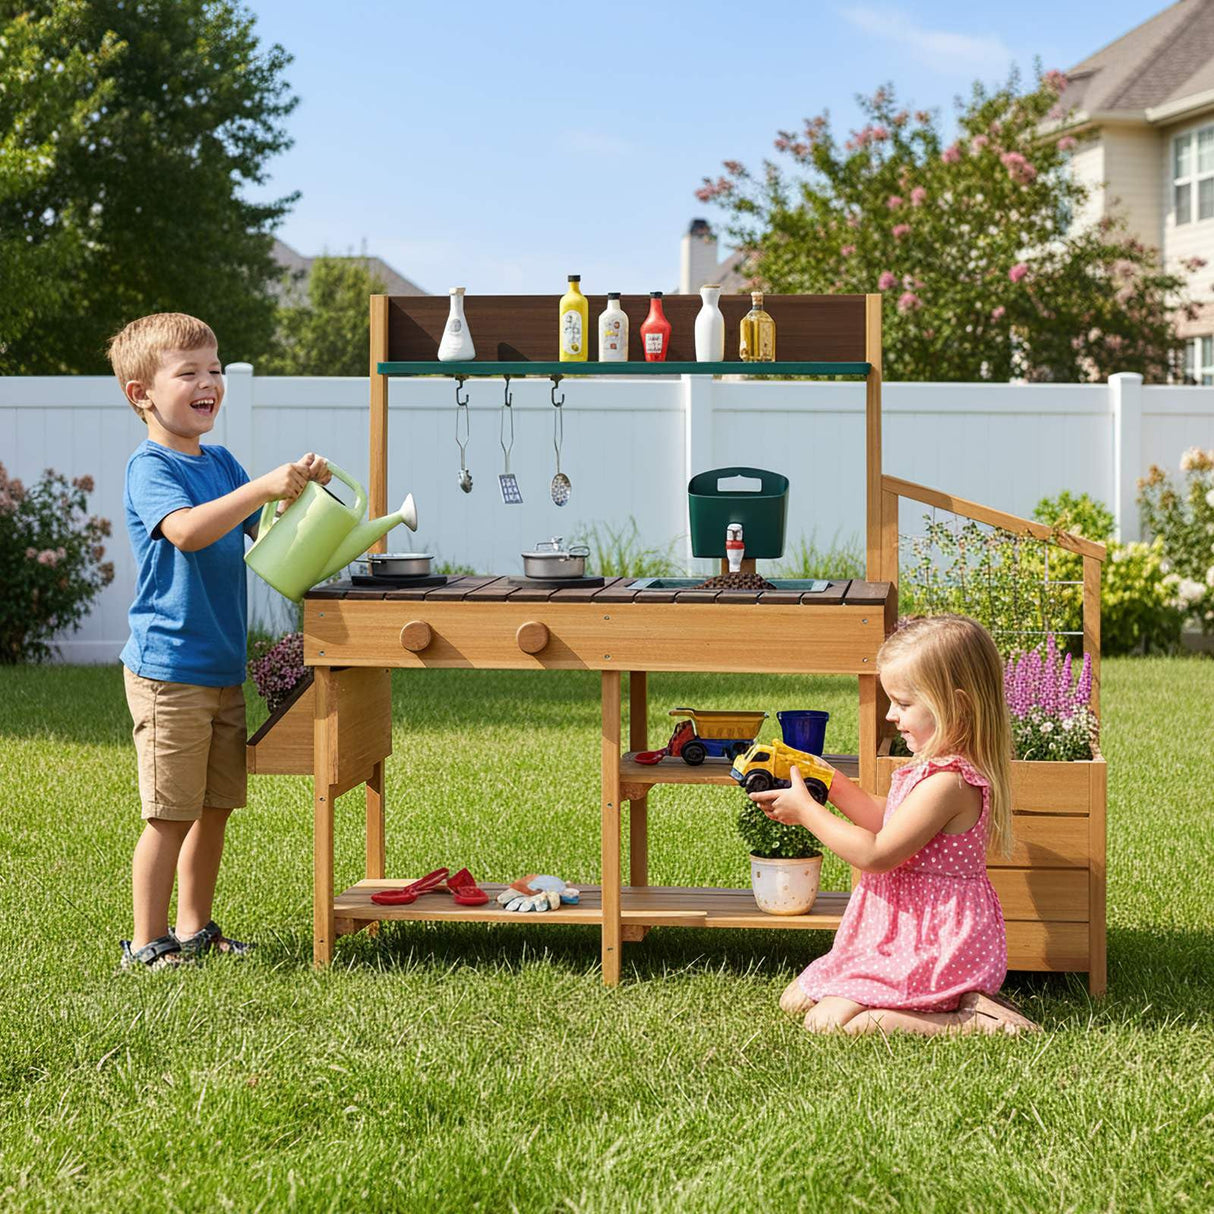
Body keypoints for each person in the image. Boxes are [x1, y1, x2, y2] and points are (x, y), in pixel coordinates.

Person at [108, 312, 330, 969]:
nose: (209, 383)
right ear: (140, 393)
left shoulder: (222, 461)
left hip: (220, 667)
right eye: (190, 373)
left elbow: (264, 539)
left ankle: (194, 928)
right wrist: (260, 486)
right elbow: (188, 532)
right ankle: (147, 944)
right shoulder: (149, 468)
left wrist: (298, 500)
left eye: (214, 370)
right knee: (170, 814)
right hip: (167, 671)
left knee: (214, 809)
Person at [751, 614, 1039, 1036]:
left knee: (830, 1024)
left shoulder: (950, 782)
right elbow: (887, 820)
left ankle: (971, 1021)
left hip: (933, 943)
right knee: (795, 1000)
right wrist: (828, 780)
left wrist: (807, 813)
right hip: (896, 933)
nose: (890, 715)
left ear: (956, 705)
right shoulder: (931, 769)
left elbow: (877, 854)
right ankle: (902, 998)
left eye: (903, 704)